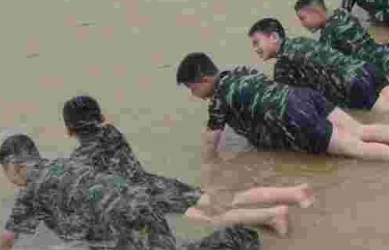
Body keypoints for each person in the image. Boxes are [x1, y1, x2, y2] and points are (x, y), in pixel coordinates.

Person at [0, 136, 235, 250]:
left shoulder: (31, 191)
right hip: (140, 200)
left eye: (6, 171)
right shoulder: (65, 163)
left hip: (118, 219)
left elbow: (5, 244)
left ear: (15, 166)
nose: (9, 178)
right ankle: (221, 244)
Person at [62, 95, 307, 235]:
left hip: (144, 199)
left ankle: (271, 214)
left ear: (69, 130)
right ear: (102, 118)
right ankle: (291, 193)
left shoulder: (79, 160)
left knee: (206, 220)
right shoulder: (111, 132)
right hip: (156, 183)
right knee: (217, 201)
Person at [176, 53, 389, 164]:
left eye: (191, 88)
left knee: (356, 148)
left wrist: (209, 172)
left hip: (294, 115)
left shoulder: (219, 98)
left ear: (206, 81)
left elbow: (211, 144)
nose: (192, 94)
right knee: (361, 131)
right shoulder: (240, 71)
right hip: (304, 96)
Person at [247, 17, 389, 110]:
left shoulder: (283, 65)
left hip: (351, 83)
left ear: (274, 37)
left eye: (256, 42)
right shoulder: (301, 40)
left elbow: (287, 101)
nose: (255, 49)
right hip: (365, 68)